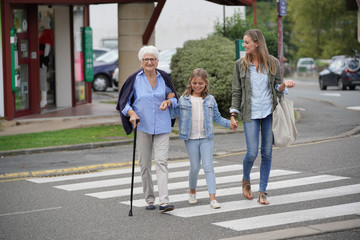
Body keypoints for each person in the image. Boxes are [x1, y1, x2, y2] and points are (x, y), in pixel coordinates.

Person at [230, 29, 295, 205]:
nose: (244, 45)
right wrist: (233, 114)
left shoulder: (272, 63)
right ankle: (245, 179)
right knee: (251, 153)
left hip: (268, 113)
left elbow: (276, 88)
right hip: (250, 113)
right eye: (243, 43)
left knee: (267, 153)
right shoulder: (240, 64)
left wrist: (283, 85)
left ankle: (263, 192)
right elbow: (236, 91)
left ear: (257, 43)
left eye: (247, 43)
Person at [116, 45, 178, 213]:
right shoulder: (134, 79)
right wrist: (131, 113)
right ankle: (149, 198)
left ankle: (164, 201)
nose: (149, 62)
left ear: (157, 61)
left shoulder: (164, 77)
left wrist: (169, 101)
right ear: (141, 62)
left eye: (152, 59)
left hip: (162, 125)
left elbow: (172, 94)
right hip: (142, 125)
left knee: (161, 162)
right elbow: (124, 102)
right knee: (144, 164)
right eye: (146, 59)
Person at [170, 68, 237, 209]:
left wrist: (230, 124)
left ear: (206, 83)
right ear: (191, 82)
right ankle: (192, 191)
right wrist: (169, 103)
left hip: (206, 138)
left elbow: (217, 118)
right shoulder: (184, 99)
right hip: (190, 138)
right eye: (195, 83)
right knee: (194, 167)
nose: (197, 86)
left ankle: (212, 198)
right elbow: (172, 115)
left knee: (208, 166)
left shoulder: (210, 99)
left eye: (200, 83)